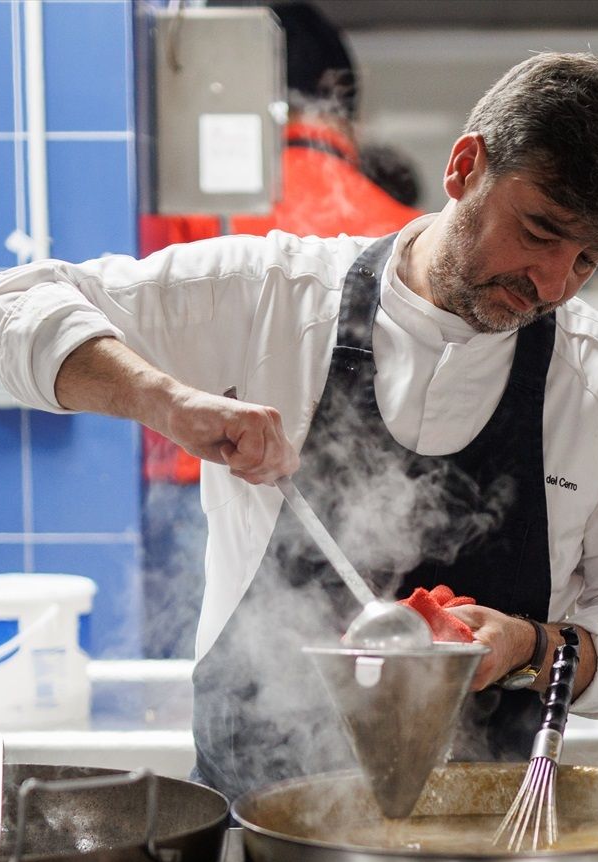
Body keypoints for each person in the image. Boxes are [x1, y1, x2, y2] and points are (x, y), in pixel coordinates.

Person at [0, 52, 598, 801]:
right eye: (539, 232)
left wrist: (532, 647)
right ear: (466, 166)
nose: (551, 285)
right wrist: (166, 402)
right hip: (263, 830)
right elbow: (8, 307)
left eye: (588, 262)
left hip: (487, 846)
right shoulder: (274, 295)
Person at [140, 1, 424, 657]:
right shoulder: (407, 229)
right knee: (334, 705)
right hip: (357, 505)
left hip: (198, 494)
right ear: (342, 100)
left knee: (215, 694)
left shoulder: (197, 216)